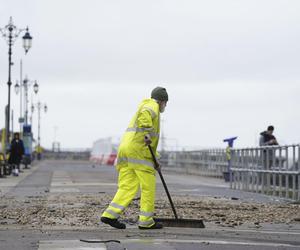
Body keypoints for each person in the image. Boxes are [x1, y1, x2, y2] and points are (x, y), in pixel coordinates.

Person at [101, 86, 168, 230]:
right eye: (165, 103)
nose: (165, 106)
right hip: (138, 153)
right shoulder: (152, 105)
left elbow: (144, 140)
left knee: (127, 186)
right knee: (148, 187)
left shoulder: (145, 106)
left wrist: (156, 160)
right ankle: (146, 221)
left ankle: (110, 215)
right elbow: (145, 120)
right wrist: (147, 132)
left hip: (126, 150)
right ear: (162, 101)